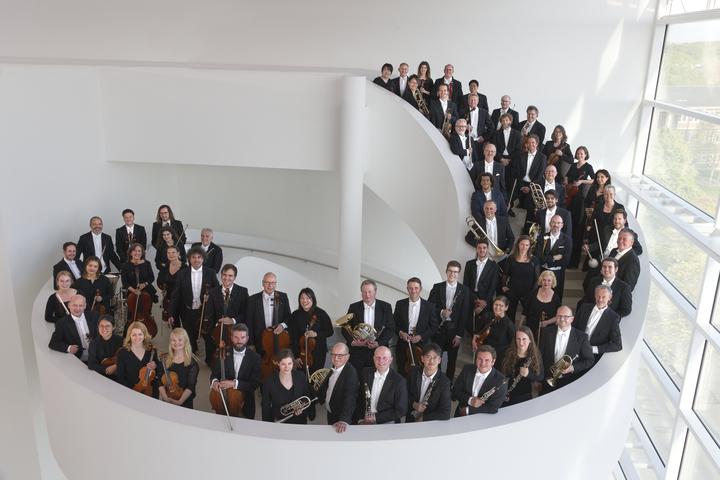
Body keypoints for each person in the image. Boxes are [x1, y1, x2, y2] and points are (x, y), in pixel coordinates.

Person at [168, 247, 219, 359]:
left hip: (205, 312)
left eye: (199, 257)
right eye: (193, 257)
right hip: (187, 311)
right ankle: (192, 357)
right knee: (189, 336)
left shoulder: (210, 273)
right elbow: (175, 295)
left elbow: (217, 291)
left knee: (208, 336)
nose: (196, 260)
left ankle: (210, 360)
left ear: (203, 259)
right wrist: (171, 313)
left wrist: (210, 296)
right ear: (189, 259)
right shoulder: (182, 273)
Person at [428, 261, 471, 380]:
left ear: (459, 273)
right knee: (436, 357)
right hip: (439, 329)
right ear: (446, 271)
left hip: (454, 330)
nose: (452, 274)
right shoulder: (437, 287)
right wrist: (441, 312)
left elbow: (464, 314)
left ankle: (449, 383)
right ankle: (435, 381)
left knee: (452, 360)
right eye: (450, 271)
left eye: (455, 272)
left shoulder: (464, 290)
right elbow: (429, 307)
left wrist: (459, 335)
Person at [210, 323, 261, 419]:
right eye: (236, 337)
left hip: (246, 401)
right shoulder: (223, 353)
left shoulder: (255, 358)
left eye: (242, 337)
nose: (239, 341)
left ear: (247, 338)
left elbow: (254, 384)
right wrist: (215, 382)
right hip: (224, 397)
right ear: (231, 337)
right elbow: (214, 374)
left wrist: (234, 384)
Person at [343, 279, 394, 374]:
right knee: (357, 378)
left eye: (370, 291)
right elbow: (344, 327)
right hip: (358, 352)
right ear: (361, 293)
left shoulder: (385, 307)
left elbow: (390, 328)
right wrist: (353, 342)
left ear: (375, 292)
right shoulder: (354, 307)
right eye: (364, 292)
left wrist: (378, 343)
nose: (367, 295)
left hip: (379, 352)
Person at [539, 306, 594, 393]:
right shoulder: (547, 332)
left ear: (572, 319)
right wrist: (538, 378)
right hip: (547, 379)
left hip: (569, 382)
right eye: (559, 316)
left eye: (566, 316)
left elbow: (589, 360)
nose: (562, 319)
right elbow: (540, 355)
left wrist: (572, 368)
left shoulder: (581, 337)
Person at [394, 277, 437, 376]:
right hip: (403, 344)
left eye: (416, 288)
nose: (413, 291)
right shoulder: (400, 304)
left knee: (421, 372)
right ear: (407, 289)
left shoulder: (429, 306)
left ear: (420, 289)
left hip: (422, 345)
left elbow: (434, 327)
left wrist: (421, 336)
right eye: (411, 288)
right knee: (401, 370)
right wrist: (401, 333)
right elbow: (394, 323)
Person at [245, 272, 292, 361]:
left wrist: (282, 325)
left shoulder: (283, 297)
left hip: (278, 339)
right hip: (259, 341)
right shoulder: (252, 299)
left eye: (273, 282)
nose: (270, 285)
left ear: (276, 284)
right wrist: (251, 343)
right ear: (263, 283)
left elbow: (288, 317)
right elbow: (249, 323)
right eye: (267, 282)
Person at [452, 345, 508, 415]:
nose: (482, 363)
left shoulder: (501, 381)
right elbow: (456, 391)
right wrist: (470, 400)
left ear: (493, 361)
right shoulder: (467, 369)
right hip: (460, 412)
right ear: (476, 359)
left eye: (487, 360)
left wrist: (468, 410)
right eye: (480, 359)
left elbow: (493, 407)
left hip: (482, 417)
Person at [356, 346, 407, 424]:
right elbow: (359, 398)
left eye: (384, 358)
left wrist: (376, 418)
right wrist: (360, 419)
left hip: (387, 422)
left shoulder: (399, 381)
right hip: (365, 419)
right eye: (378, 358)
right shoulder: (365, 373)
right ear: (373, 359)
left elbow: (401, 410)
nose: (381, 361)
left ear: (390, 360)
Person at [289, 287, 333, 375]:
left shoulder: (321, 313)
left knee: (316, 377)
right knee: (301, 377)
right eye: (302, 298)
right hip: (301, 354)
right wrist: (296, 356)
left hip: (318, 353)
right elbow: (292, 337)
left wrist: (316, 334)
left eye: (308, 298)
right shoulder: (295, 315)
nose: (305, 301)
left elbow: (330, 331)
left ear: (313, 299)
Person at [317, 342, 358, 433]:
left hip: (340, 417)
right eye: (333, 354)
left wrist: (344, 420)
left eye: (340, 355)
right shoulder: (334, 367)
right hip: (331, 412)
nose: (336, 358)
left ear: (347, 357)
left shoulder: (351, 373)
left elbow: (350, 398)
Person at [261, 349, 311, 424]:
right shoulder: (269, 382)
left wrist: (302, 409)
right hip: (279, 422)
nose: (287, 367)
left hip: (300, 420)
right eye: (283, 364)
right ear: (278, 363)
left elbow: (307, 397)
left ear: (293, 363)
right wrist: (268, 425)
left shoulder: (300, 376)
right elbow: (265, 407)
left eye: (289, 363)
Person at [574, 286, 622, 361]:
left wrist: (593, 349)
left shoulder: (613, 318)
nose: (600, 299)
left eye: (603, 297)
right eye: (598, 296)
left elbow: (617, 345)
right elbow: (573, 327)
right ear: (595, 296)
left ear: (609, 297)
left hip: (591, 356)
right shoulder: (584, 307)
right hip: (574, 348)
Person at [565, 146, 595, 268]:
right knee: (568, 226)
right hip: (570, 197)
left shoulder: (588, 167)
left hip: (580, 199)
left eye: (582, 153)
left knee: (577, 229)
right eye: (578, 153)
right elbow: (567, 176)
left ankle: (574, 262)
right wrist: (567, 183)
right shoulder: (573, 165)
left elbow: (593, 180)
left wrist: (582, 181)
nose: (580, 155)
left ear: (586, 154)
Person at [406, 343, 452, 422]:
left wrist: (424, 418)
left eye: (435, 357)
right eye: (428, 357)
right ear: (422, 359)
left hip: (429, 422)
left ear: (439, 360)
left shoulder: (444, 382)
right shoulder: (413, 372)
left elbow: (446, 413)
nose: (431, 361)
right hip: (410, 417)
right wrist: (414, 404)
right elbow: (404, 394)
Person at [48, 294, 99, 362]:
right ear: (69, 305)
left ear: (85, 306)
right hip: (80, 359)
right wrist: (69, 348)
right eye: (74, 305)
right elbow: (53, 343)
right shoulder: (62, 323)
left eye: (81, 305)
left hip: (98, 356)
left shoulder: (95, 316)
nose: (78, 308)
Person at [158, 328, 199, 409]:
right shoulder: (164, 359)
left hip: (184, 402)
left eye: (180, 340)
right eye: (173, 340)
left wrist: (179, 402)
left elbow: (190, 387)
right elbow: (159, 381)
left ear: (185, 341)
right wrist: (165, 398)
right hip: (167, 398)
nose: (176, 343)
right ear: (170, 342)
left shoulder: (192, 363)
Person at [501, 235, 540, 323]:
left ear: (529, 246)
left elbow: (537, 279)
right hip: (513, 290)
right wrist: (503, 285)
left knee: (529, 314)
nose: (524, 247)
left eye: (527, 245)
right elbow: (505, 274)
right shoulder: (511, 258)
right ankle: (510, 331)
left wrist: (533, 292)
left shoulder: (534, 260)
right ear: (518, 244)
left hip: (528, 292)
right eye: (522, 244)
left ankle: (526, 331)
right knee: (510, 314)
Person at [501, 326, 543, 406]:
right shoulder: (507, 353)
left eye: (524, 339)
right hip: (507, 394)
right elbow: (501, 374)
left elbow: (540, 376)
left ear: (530, 340)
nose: (521, 342)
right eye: (518, 339)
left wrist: (528, 374)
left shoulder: (535, 354)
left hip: (525, 395)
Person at [206, 264, 249, 339]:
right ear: (221, 275)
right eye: (224, 275)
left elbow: (246, 312)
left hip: (236, 333)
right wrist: (212, 332)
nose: (226, 278)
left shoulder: (243, 292)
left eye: (230, 276)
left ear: (234, 277)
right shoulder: (213, 292)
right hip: (217, 332)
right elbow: (210, 314)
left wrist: (232, 320)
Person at [536, 215, 572, 301]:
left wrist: (546, 259)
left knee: (556, 297)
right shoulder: (542, 237)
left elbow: (566, 260)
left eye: (558, 223)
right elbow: (538, 256)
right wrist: (553, 258)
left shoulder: (567, 239)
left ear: (562, 225)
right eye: (554, 222)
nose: (556, 225)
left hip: (558, 273)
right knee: (541, 295)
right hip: (543, 271)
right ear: (550, 224)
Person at [471, 296, 515, 366]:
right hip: (482, 353)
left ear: (506, 307)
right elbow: (477, 331)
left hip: (497, 357)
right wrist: (474, 339)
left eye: (501, 306)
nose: (497, 307)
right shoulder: (486, 315)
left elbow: (512, 343)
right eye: (496, 304)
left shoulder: (509, 324)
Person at [115, 321, 157, 390]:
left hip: (148, 390)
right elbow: (120, 377)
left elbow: (157, 373)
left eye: (140, 334)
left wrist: (155, 365)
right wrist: (133, 391)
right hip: (129, 390)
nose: (137, 337)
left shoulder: (151, 350)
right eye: (134, 335)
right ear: (129, 336)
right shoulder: (122, 352)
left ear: (144, 335)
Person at [463, 239, 500, 319]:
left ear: (487, 249)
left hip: (486, 301)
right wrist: (475, 299)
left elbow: (493, 286)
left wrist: (484, 302)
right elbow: (466, 284)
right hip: (471, 298)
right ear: (476, 249)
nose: (482, 250)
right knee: (468, 321)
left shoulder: (494, 266)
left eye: (484, 248)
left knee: (483, 322)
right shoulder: (469, 264)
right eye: (479, 248)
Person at [522, 271, 561, 342]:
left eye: (549, 280)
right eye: (544, 280)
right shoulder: (533, 293)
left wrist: (547, 322)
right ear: (541, 281)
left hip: (547, 329)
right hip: (531, 327)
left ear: (552, 282)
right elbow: (525, 312)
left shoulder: (556, 298)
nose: (546, 283)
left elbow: (558, 316)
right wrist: (520, 326)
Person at [121, 243, 158, 317]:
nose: (137, 253)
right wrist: (133, 290)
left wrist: (144, 284)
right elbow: (124, 282)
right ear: (130, 253)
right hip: (132, 290)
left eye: (139, 251)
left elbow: (151, 277)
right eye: (134, 250)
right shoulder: (125, 265)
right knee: (131, 312)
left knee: (146, 310)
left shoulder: (147, 263)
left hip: (146, 289)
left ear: (142, 253)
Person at [514, 135, 547, 216]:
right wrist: (522, 186)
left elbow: (540, 175)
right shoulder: (521, 155)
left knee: (529, 208)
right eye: (529, 143)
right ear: (527, 144)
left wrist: (529, 187)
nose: (531, 144)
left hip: (533, 185)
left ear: (537, 144)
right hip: (521, 183)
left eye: (533, 142)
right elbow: (517, 172)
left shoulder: (542, 157)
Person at [87, 315, 123, 380]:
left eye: (107, 326)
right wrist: (106, 369)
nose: (104, 329)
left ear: (113, 327)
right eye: (101, 326)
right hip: (101, 376)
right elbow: (91, 364)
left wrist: (116, 366)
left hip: (119, 375)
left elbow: (127, 359)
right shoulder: (93, 343)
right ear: (98, 327)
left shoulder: (121, 341)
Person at [157, 245, 187, 323]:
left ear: (178, 253)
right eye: (168, 253)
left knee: (186, 322)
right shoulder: (165, 266)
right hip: (169, 299)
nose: (171, 255)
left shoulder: (185, 267)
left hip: (182, 299)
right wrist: (162, 288)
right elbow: (159, 280)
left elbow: (187, 284)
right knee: (174, 322)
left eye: (173, 252)